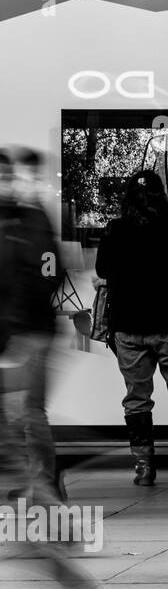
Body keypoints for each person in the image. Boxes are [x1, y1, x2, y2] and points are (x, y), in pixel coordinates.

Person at [0, 149, 112, 589]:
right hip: (20, 348)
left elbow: (39, 282)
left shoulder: (29, 219)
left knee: (18, 461)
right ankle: (59, 538)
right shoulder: (26, 218)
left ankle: (68, 569)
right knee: (18, 465)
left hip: (19, 349)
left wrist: (18, 348)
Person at [95, 170, 168, 485]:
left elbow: (102, 269)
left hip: (128, 330)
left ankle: (144, 468)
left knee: (136, 397)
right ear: (164, 197)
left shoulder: (114, 231)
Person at [0, 147, 61, 502]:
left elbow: (49, 270)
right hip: (14, 331)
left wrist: (21, 315)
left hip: (30, 331)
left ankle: (43, 487)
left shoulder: (32, 218)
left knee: (28, 411)